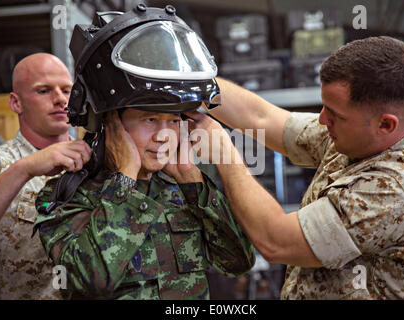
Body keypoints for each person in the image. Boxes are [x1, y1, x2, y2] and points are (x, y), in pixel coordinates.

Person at [184, 36, 404, 299]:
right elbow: (261, 117)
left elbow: (275, 241)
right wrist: (190, 83)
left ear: (386, 125)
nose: (322, 119)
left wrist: (224, 153)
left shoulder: (396, 190)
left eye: (335, 114)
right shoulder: (358, 140)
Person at [33, 6, 255, 299]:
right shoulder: (67, 197)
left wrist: (191, 179)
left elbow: (238, 262)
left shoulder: (184, 189)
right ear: (111, 124)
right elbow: (89, 282)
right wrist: (125, 180)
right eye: (150, 119)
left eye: (174, 121)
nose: (164, 135)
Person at [0, 53, 92, 299]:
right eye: (43, 91)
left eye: (67, 90)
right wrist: (25, 168)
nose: (60, 99)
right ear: (16, 103)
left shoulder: (97, 160)